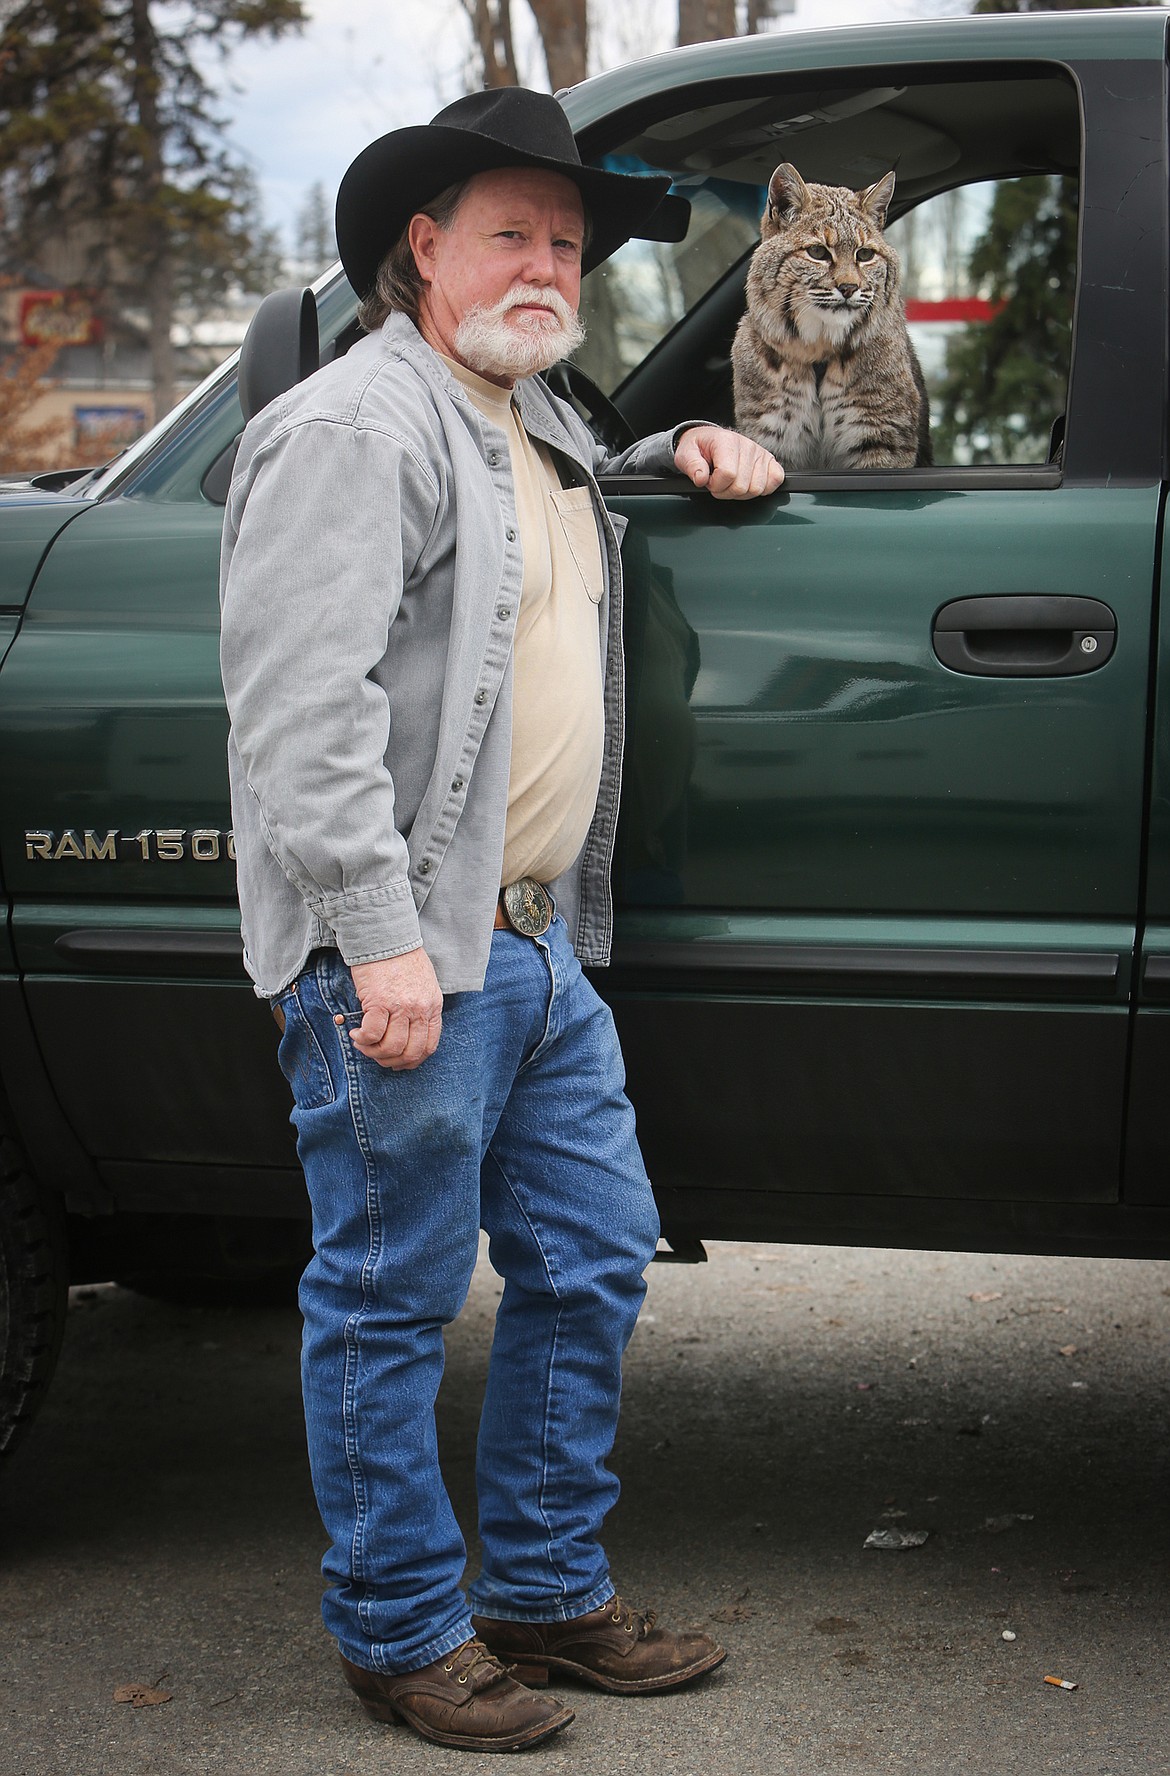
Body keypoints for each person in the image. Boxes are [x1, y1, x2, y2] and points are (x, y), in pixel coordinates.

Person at [219, 87, 784, 1755]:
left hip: (537, 951)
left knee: (589, 1254)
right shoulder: (350, 430)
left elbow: (506, 556)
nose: (549, 263)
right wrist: (375, 938)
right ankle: (399, 1632)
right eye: (509, 234)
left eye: (566, 242)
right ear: (423, 246)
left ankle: (540, 1586)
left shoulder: (519, 422)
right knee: (390, 1296)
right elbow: (297, 714)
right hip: (412, 954)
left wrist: (676, 448)